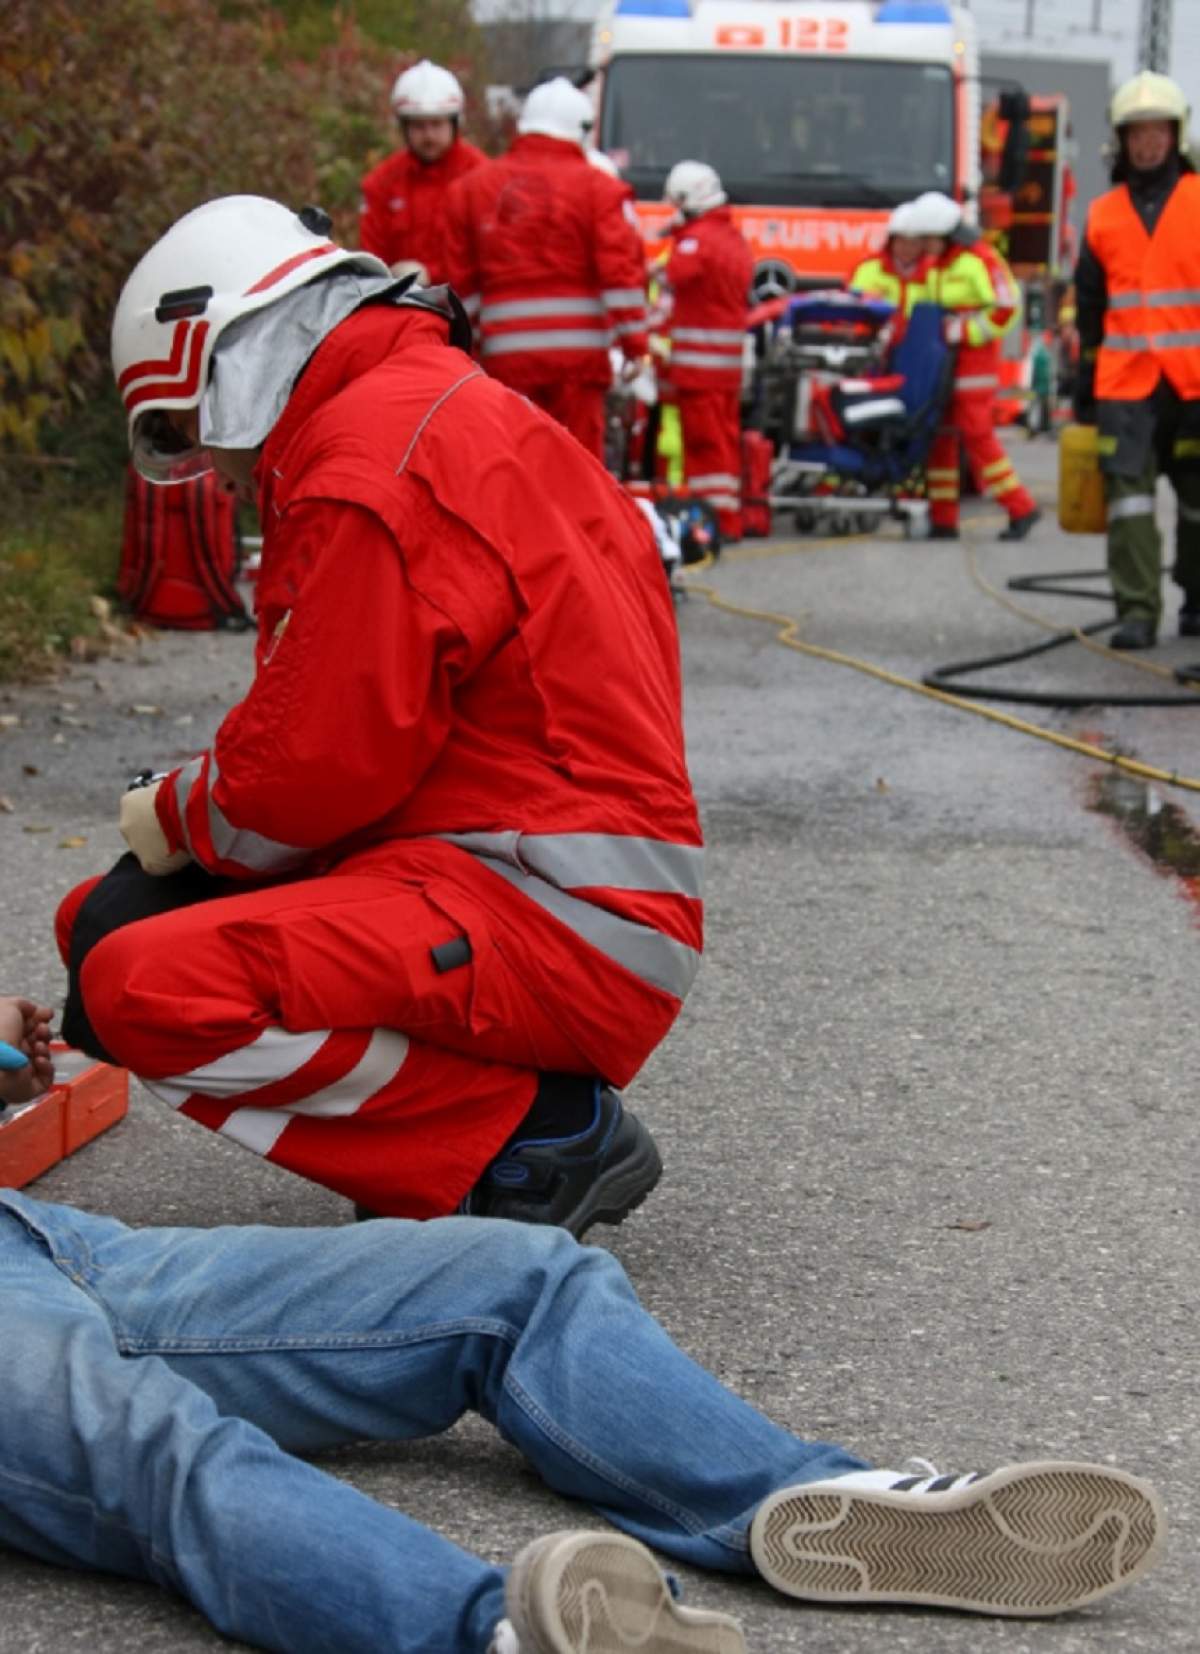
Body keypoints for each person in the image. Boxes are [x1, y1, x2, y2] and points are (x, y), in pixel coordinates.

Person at [0, 996, 1168, 1654]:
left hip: (64, 1244)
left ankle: (789, 1498)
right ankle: (500, 1634)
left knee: (518, 1278)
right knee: (161, 1448)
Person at [61, 194, 702, 1231]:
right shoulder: (430, 408)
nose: (216, 473)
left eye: (192, 433)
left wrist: (172, 813)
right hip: (548, 890)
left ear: (223, 357)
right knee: (108, 926)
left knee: (143, 978)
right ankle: (491, 1123)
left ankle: (529, 1140)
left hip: (544, 910)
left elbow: (309, 776)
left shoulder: (364, 462)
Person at [442, 78, 648, 460]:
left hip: (506, 362)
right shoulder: (599, 189)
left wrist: (467, 351)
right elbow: (619, 273)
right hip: (579, 366)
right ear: (581, 129)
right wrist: (635, 344)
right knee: (578, 474)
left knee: (517, 469)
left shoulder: (470, 190)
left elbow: (461, 288)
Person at [1072, 70, 1200, 651]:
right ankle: (1138, 611)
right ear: (1121, 142)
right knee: (1129, 500)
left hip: (1194, 384)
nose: (1148, 143)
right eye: (1137, 133)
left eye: (1157, 132)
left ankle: (1198, 599)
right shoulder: (1103, 216)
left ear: (1176, 136)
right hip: (1125, 384)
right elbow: (1092, 309)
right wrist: (1083, 380)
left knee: (1198, 503)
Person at [910, 192, 1041, 543]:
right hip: (941, 364)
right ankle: (943, 519)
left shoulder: (980, 259)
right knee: (941, 435)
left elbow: (1006, 306)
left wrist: (964, 331)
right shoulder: (932, 264)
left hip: (974, 363)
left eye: (928, 237)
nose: (923, 244)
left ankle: (1021, 508)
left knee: (976, 435)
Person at [654, 162, 753, 541]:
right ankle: (728, 516)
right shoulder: (732, 238)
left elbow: (672, 274)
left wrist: (675, 237)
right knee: (724, 444)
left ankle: (712, 523)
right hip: (724, 368)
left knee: (704, 447)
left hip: (699, 368)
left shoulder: (698, 240)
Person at [358, 59, 486, 285]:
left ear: (455, 123)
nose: (428, 136)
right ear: (403, 127)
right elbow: (370, 259)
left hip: (465, 309)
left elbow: (489, 255)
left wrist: (431, 274)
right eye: (419, 126)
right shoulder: (381, 183)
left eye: (437, 124)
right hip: (401, 307)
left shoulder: (481, 177)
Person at [848, 200, 931, 321]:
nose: (907, 248)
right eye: (901, 241)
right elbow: (853, 306)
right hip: (877, 334)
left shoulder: (933, 271)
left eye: (914, 243)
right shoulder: (870, 268)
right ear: (891, 242)